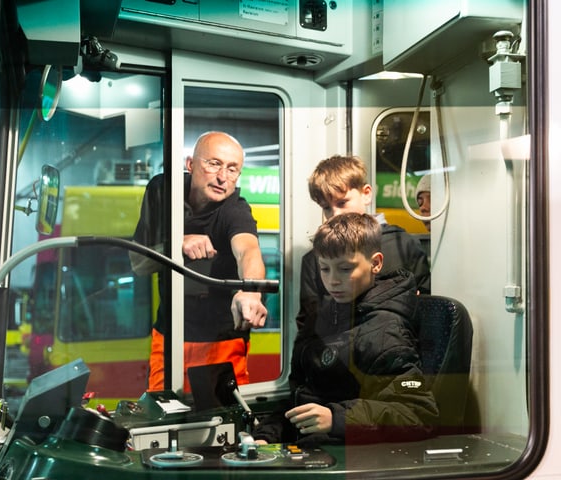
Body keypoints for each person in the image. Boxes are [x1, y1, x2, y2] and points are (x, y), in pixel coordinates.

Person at [253, 212, 438, 445]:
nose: (333, 281)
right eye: (325, 269)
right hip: (314, 443)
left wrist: (337, 418)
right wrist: (266, 436)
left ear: (376, 263)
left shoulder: (385, 331)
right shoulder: (324, 319)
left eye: (345, 269)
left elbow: (418, 414)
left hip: (353, 456)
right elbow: (304, 397)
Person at [130, 131, 268, 392]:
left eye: (232, 169)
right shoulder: (162, 191)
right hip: (170, 334)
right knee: (161, 416)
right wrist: (177, 245)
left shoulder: (235, 209)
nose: (222, 177)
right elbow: (138, 264)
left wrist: (251, 291)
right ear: (190, 164)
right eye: (213, 163)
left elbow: (248, 251)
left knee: (223, 421)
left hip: (222, 338)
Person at [296, 155, 430, 331]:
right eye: (326, 207)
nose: (335, 214)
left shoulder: (403, 245)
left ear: (366, 194)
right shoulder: (315, 258)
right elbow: (307, 325)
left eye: (342, 203)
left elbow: (426, 308)